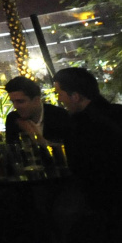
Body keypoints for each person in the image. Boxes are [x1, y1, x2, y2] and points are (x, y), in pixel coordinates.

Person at [52, 67, 122, 239]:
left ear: (75, 96)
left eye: (59, 93)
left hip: (104, 204)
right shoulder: (118, 112)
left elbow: (78, 168)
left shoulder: (78, 126)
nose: (59, 99)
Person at [3, 76, 70, 145]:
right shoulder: (13, 118)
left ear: (36, 100)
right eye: (13, 102)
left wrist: (36, 137)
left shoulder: (59, 115)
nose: (15, 106)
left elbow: (67, 148)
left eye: (20, 101)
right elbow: (11, 148)